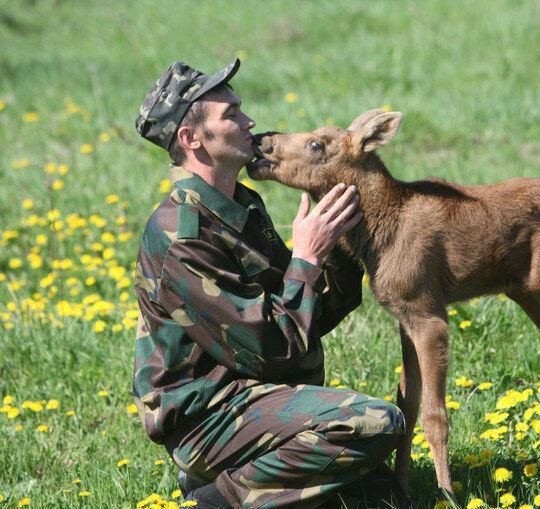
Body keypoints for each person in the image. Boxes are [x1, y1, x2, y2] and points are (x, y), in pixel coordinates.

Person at [133, 58, 411, 508]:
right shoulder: (181, 236)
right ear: (192, 139)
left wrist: (338, 245)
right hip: (210, 416)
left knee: (387, 499)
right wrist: (305, 257)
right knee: (377, 423)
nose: (249, 122)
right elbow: (271, 349)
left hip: (258, 397)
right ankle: (215, 497)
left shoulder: (239, 205)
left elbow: (306, 319)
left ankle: (260, 478)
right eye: (231, 115)